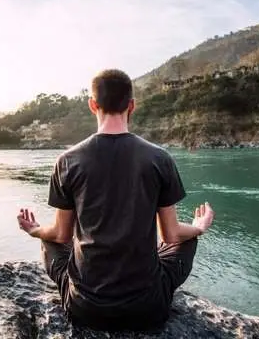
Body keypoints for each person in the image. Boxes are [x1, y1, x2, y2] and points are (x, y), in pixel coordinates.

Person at [18, 69, 214, 332]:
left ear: (92, 105)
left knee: (49, 240)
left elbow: (61, 235)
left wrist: (34, 230)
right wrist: (199, 227)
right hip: (148, 307)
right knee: (188, 239)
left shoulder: (67, 161)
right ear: (131, 105)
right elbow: (171, 235)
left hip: (85, 308)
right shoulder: (159, 158)